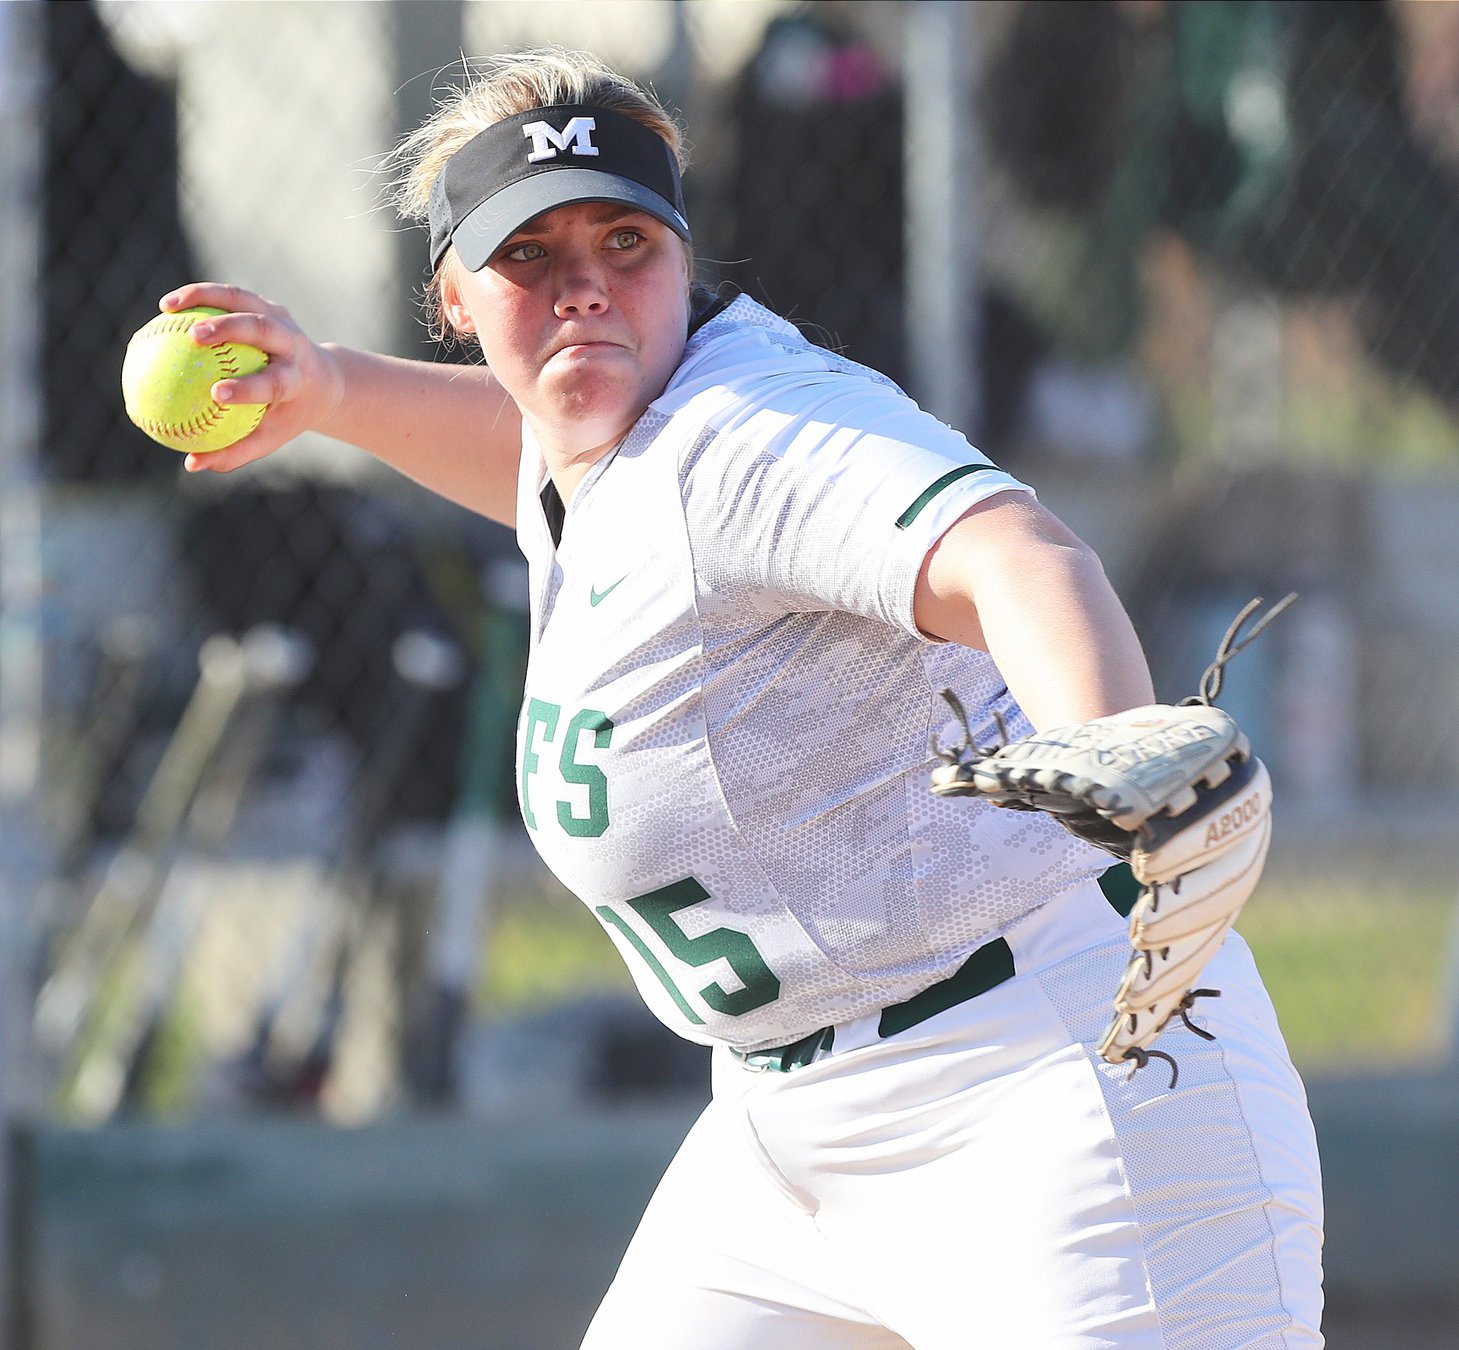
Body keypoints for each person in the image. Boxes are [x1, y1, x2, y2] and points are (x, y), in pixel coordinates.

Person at [162, 47, 1323, 1350]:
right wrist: (330, 388)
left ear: (682, 251)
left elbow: (1020, 557)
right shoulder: (611, 437)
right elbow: (561, 458)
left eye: (624, 241)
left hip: (1061, 1089)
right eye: (530, 258)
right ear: (452, 294)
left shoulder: (756, 433)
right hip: (784, 1137)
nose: (586, 291)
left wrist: (1120, 763)